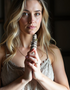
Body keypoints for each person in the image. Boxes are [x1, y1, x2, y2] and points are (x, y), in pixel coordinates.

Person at [0, 0, 69, 90]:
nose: (32, 20)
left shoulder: (53, 51)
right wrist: (24, 79)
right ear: (16, 16)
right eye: (25, 13)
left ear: (42, 16)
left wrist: (40, 77)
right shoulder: (2, 52)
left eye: (37, 14)